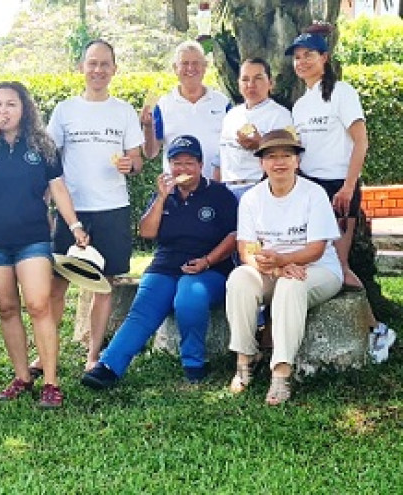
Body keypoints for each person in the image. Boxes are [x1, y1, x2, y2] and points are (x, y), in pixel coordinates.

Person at [0, 81, 86, 409]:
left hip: (32, 237)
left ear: (24, 109)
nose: (4, 111)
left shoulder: (42, 145)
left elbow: (58, 188)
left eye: (11, 104)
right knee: (7, 308)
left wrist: (74, 224)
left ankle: (50, 381)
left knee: (38, 305)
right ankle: (22, 377)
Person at [81, 136, 237, 389]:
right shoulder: (163, 194)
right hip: (165, 266)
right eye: (177, 163)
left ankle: (194, 363)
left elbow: (233, 235)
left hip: (209, 267)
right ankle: (109, 366)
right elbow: (146, 232)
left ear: (200, 164)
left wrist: (207, 261)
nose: (183, 169)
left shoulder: (219, 194)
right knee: (143, 311)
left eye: (189, 163)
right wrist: (162, 198)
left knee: (189, 296)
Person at [287, 28, 394, 347]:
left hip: (339, 189)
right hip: (311, 189)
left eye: (309, 55)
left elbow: (361, 142)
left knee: (339, 265)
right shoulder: (300, 105)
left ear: (325, 58)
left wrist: (348, 187)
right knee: (318, 262)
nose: (302, 61)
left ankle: (378, 330)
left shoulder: (342, 92)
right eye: (297, 57)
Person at [45, 39, 145, 373]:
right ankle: (47, 355)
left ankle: (93, 355)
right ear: (81, 67)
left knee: (105, 285)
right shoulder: (65, 110)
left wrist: (130, 164)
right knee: (56, 285)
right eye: (92, 63)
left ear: (114, 70)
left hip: (113, 208)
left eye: (105, 64)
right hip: (71, 210)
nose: (98, 70)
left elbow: (138, 159)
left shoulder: (123, 111)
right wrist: (47, 208)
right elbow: (50, 162)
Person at [226, 129, 343, 405]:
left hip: (319, 269)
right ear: (261, 163)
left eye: (286, 156)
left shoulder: (314, 194)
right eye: (271, 157)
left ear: (297, 162)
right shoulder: (251, 199)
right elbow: (246, 250)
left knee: (291, 286)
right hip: (274, 269)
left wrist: (283, 262)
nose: (279, 162)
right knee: (240, 278)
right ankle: (245, 359)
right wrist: (276, 267)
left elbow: (316, 249)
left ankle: (281, 372)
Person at [142, 41, 230, 180]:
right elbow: (151, 153)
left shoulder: (222, 102)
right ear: (175, 68)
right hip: (178, 191)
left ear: (205, 66)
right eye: (184, 63)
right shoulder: (163, 105)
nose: (190, 68)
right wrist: (147, 127)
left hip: (216, 189)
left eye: (196, 63)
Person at [218, 58, 292, 200]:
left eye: (258, 78)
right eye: (245, 79)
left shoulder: (280, 116)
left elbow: (287, 158)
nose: (251, 85)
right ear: (238, 84)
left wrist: (261, 145)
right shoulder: (231, 116)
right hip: (227, 190)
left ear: (270, 83)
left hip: (260, 188)